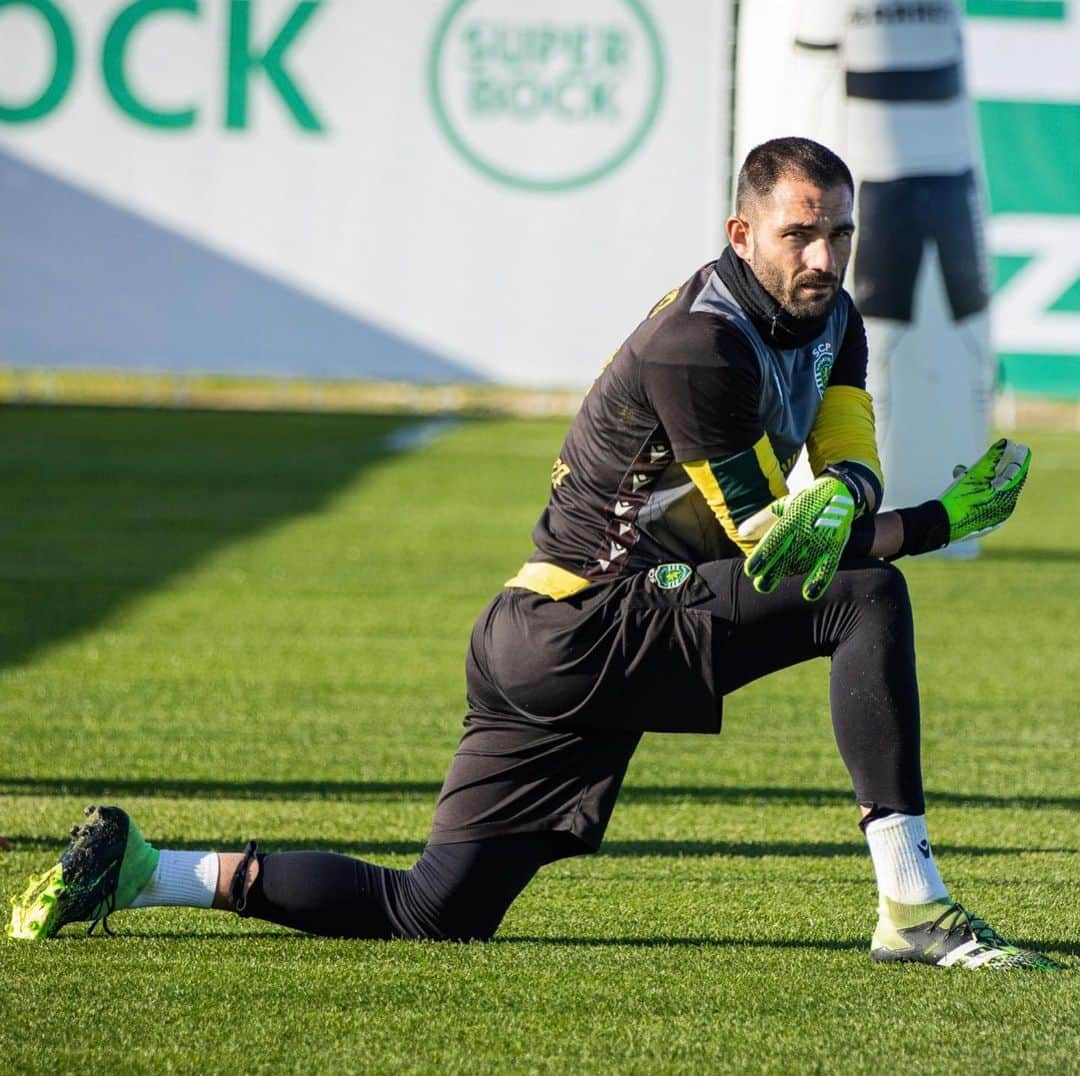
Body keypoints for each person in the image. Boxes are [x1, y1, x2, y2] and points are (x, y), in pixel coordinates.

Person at [8, 137, 1060, 971]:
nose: (824, 257)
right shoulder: (698, 341)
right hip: (582, 623)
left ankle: (149, 871)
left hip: (563, 638)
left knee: (432, 911)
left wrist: (861, 496)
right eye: (799, 234)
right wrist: (935, 521)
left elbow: (848, 464)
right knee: (864, 595)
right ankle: (913, 907)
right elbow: (779, 551)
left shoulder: (836, 320)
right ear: (743, 232)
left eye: (838, 233)